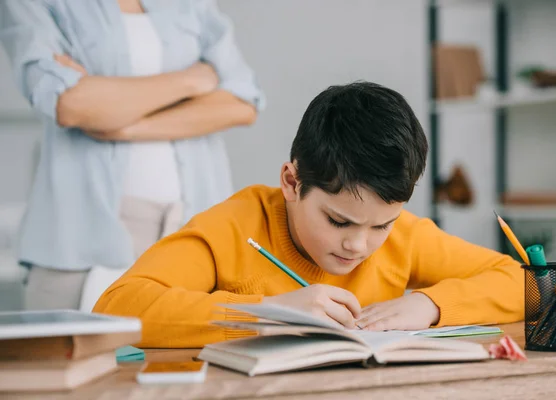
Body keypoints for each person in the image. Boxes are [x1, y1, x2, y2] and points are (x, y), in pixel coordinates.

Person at [94, 82, 524, 348]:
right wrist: (267, 312)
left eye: (381, 225)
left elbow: (525, 284)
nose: (359, 244)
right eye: (339, 221)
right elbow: (115, 309)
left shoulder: (404, 237)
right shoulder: (233, 226)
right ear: (291, 182)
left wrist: (430, 304)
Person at [0, 0, 264, 310]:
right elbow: (71, 104)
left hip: (190, 226)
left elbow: (242, 103)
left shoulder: (193, 4)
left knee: (185, 355)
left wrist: (122, 124)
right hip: (79, 238)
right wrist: (193, 80)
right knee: (70, 356)